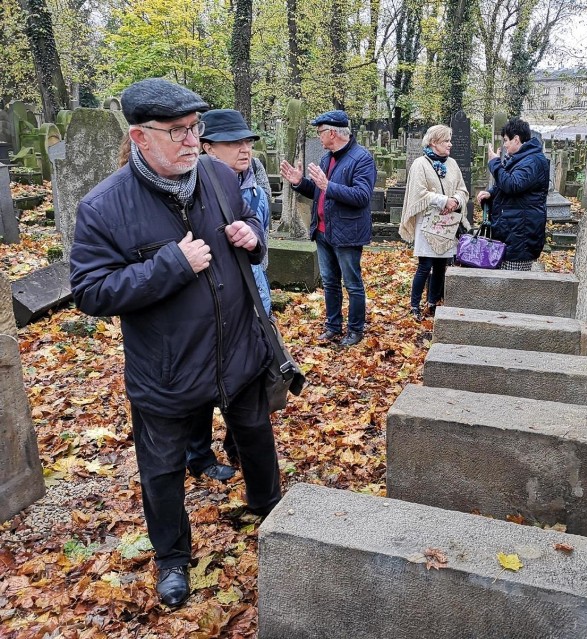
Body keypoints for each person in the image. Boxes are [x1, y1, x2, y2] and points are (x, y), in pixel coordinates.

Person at [69, 79, 282, 609]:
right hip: (166, 369)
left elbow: (251, 225)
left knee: (255, 436)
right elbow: (91, 291)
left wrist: (254, 238)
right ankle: (172, 560)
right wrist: (169, 266)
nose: (192, 141)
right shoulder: (104, 207)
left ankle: (269, 507)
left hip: (238, 351)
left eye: (196, 128)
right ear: (141, 138)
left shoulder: (216, 174)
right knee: (162, 470)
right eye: (177, 132)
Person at [168, 108, 274, 483]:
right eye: (234, 143)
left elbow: (261, 235)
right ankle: (198, 456)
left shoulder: (255, 182)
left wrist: (254, 237)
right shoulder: (191, 187)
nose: (244, 150)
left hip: (252, 296)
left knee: (249, 380)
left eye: (247, 142)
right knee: (200, 388)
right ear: (208, 147)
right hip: (206, 307)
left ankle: (238, 445)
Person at [279, 110, 376, 346]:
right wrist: (299, 183)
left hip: (347, 233)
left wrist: (327, 185)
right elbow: (319, 192)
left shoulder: (362, 158)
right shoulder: (327, 157)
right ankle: (333, 326)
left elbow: (362, 197)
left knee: (352, 284)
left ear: (332, 132)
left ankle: (355, 330)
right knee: (330, 282)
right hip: (323, 231)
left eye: (320, 132)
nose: (318, 137)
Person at [398, 124, 469, 320]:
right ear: (433, 142)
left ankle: (433, 302)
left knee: (441, 264)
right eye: (446, 141)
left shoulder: (453, 164)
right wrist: (443, 200)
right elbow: (418, 193)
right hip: (427, 222)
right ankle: (414, 305)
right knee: (425, 264)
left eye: (449, 140)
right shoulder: (420, 164)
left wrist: (455, 200)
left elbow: (462, 189)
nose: (450, 144)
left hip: (447, 222)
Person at [475, 117, 549, 271]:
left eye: (506, 140)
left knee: (514, 288)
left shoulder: (532, 161)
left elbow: (513, 185)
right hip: (512, 232)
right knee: (504, 286)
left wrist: (494, 163)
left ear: (516, 139)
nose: (505, 144)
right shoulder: (522, 159)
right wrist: (491, 193)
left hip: (520, 237)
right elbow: (508, 185)